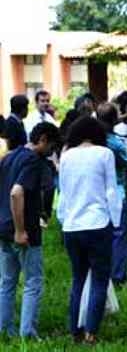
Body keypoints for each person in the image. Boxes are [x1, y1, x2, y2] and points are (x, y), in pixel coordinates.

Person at [57, 116, 121, 345]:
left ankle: (74, 329)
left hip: (72, 226)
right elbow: (111, 191)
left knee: (78, 278)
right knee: (99, 279)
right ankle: (91, 332)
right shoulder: (104, 154)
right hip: (97, 223)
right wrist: (115, 221)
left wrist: (63, 219)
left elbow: (62, 193)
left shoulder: (66, 157)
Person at [0, 123, 60, 338]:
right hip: (24, 231)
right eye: (52, 147)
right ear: (42, 139)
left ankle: (5, 330)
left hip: (3, 227)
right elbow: (17, 193)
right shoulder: (33, 161)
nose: (52, 152)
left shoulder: (9, 156)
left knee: (7, 282)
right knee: (33, 282)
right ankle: (28, 333)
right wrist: (20, 230)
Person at [97, 102, 127, 286]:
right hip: (117, 192)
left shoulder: (93, 140)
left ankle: (101, 272)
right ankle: (117, 275)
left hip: (96, 192)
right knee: (119, 234)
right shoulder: (116, 143)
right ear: (114, 119)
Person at [24, 90, 58, 227]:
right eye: (42, 101)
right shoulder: (30, 120)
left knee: (49, 187)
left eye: (47, 101)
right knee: (38, 187)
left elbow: (54, 141)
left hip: (48, 158)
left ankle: (45, 215)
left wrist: (55, 160)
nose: (45, 104)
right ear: (36, 102)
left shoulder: (50, 119)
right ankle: (38, 215)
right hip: (35, 156)